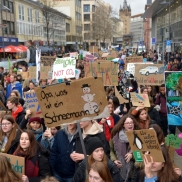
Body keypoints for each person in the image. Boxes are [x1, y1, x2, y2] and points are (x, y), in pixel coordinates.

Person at [110, 114, 140, 182]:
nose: (130, 124)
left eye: (131, 122)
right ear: (123, 125)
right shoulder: (116, 136)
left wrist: (132, 155)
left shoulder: (139, 136)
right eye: (128, 123)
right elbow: (111, 150)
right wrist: (114, 160)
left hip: (133, 172)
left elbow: (142, 154)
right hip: (119, 171)